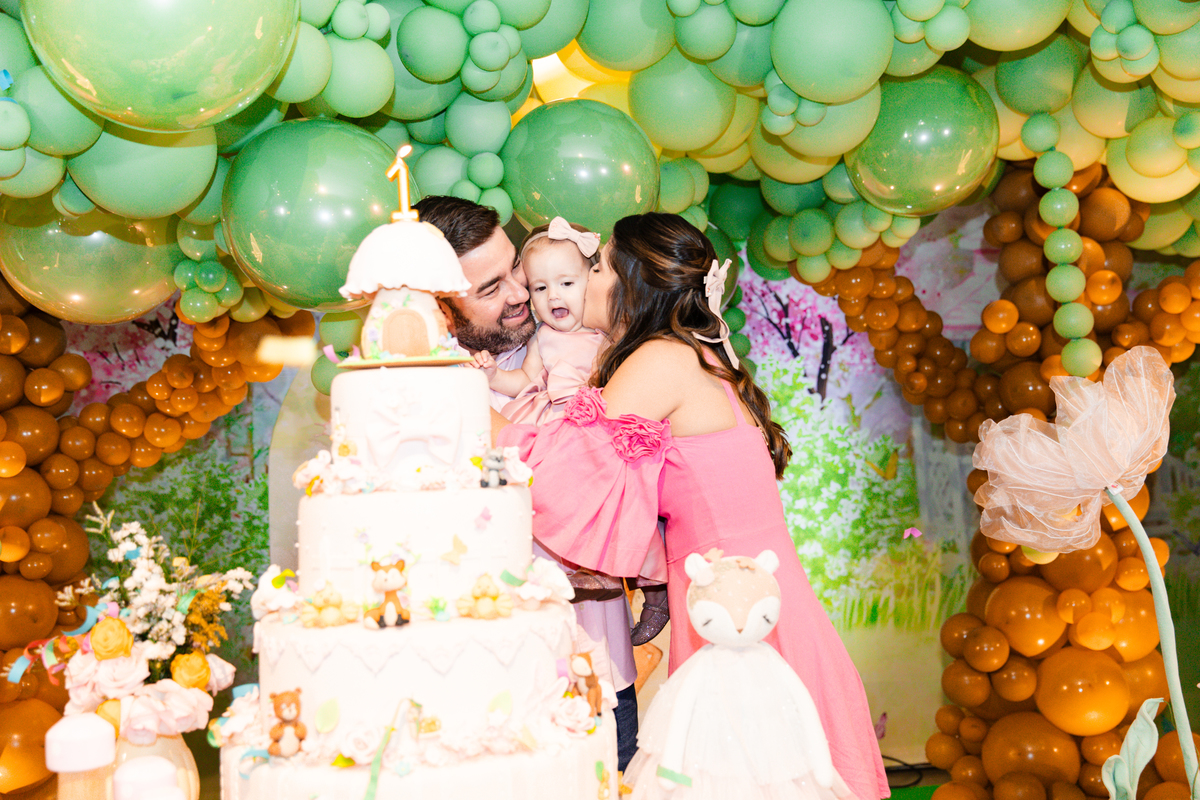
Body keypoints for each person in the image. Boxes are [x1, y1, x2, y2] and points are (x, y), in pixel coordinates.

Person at [493, 212, 890, 800]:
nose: (588, 278)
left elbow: (565, 469)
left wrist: (472, 409)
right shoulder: (689, 353)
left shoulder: (661, 360)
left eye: (600, 267)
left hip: (737, 611)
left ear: (631, 284)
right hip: (739, 595)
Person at [413, 196, 642, 772]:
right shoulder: (414, 388)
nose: (522, 293)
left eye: (515, 267)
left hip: (600, 668)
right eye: (491, 288)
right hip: (486, 681)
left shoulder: (580, 340)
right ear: (438, 308)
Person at [472, 217, 607, 426]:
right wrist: (494, 376)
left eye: (566, 283)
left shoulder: (607, 328)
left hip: (603, 409)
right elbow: (526, 378)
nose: (553, 296)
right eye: (540, 288)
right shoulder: (541, 334)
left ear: (591, 281)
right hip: (557, 418)